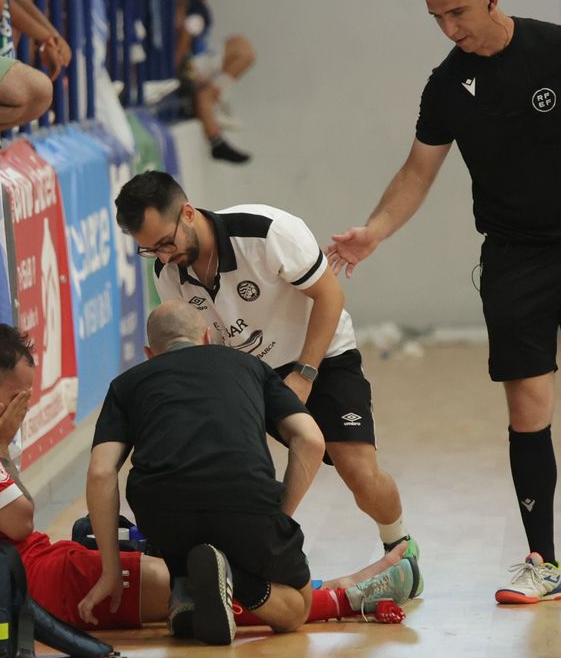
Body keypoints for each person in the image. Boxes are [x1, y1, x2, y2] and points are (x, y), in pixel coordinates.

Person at [327, 0, 561, 606]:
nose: (449, 28)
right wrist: (374, 229)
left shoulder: (558, 51)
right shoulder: (447, 85)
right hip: (514, 257)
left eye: (456, 11)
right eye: (436, 17)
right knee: (527, 406)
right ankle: (541, 558)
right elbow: (417, 171)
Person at [0, 324, 415, 638]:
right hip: (32, 579)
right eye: (19, 398)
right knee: (188, 585)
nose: (20, 412)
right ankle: (351, 595)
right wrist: (2, 446)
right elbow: (21, 521)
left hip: (31, 569)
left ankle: (339, 585)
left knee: (185, 575)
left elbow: (96, 473)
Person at [114, 171, 422, 592]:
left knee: (358, 472)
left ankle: (401, 548)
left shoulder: (267, 232)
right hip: (249, 373)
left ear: (187, 213)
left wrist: (305, 374)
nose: (164, 258)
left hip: (322, 356)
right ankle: (261, 541)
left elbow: (330, 297)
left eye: (166, 243)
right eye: (150, 251)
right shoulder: (170, 274)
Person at [78, 304, 417, 645]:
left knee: (181, 534)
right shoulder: (249, 366)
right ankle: (235, 578)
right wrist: (280, 516)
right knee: (296, 608)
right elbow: (311, 439)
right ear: (207, 337)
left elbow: (101, 472)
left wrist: (110, 572)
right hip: (245, 502)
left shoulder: (126, 384)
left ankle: (187, 579)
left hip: (163, 518)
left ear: (150, 354)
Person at [176, 0, 251, 163]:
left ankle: (213, 95)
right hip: (189, 63)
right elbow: (185, 36)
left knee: (240, 45)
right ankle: (214, 96)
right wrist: (179, 69)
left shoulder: (188, 0)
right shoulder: (196, 8)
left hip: (193, 61)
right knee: (244, 51)